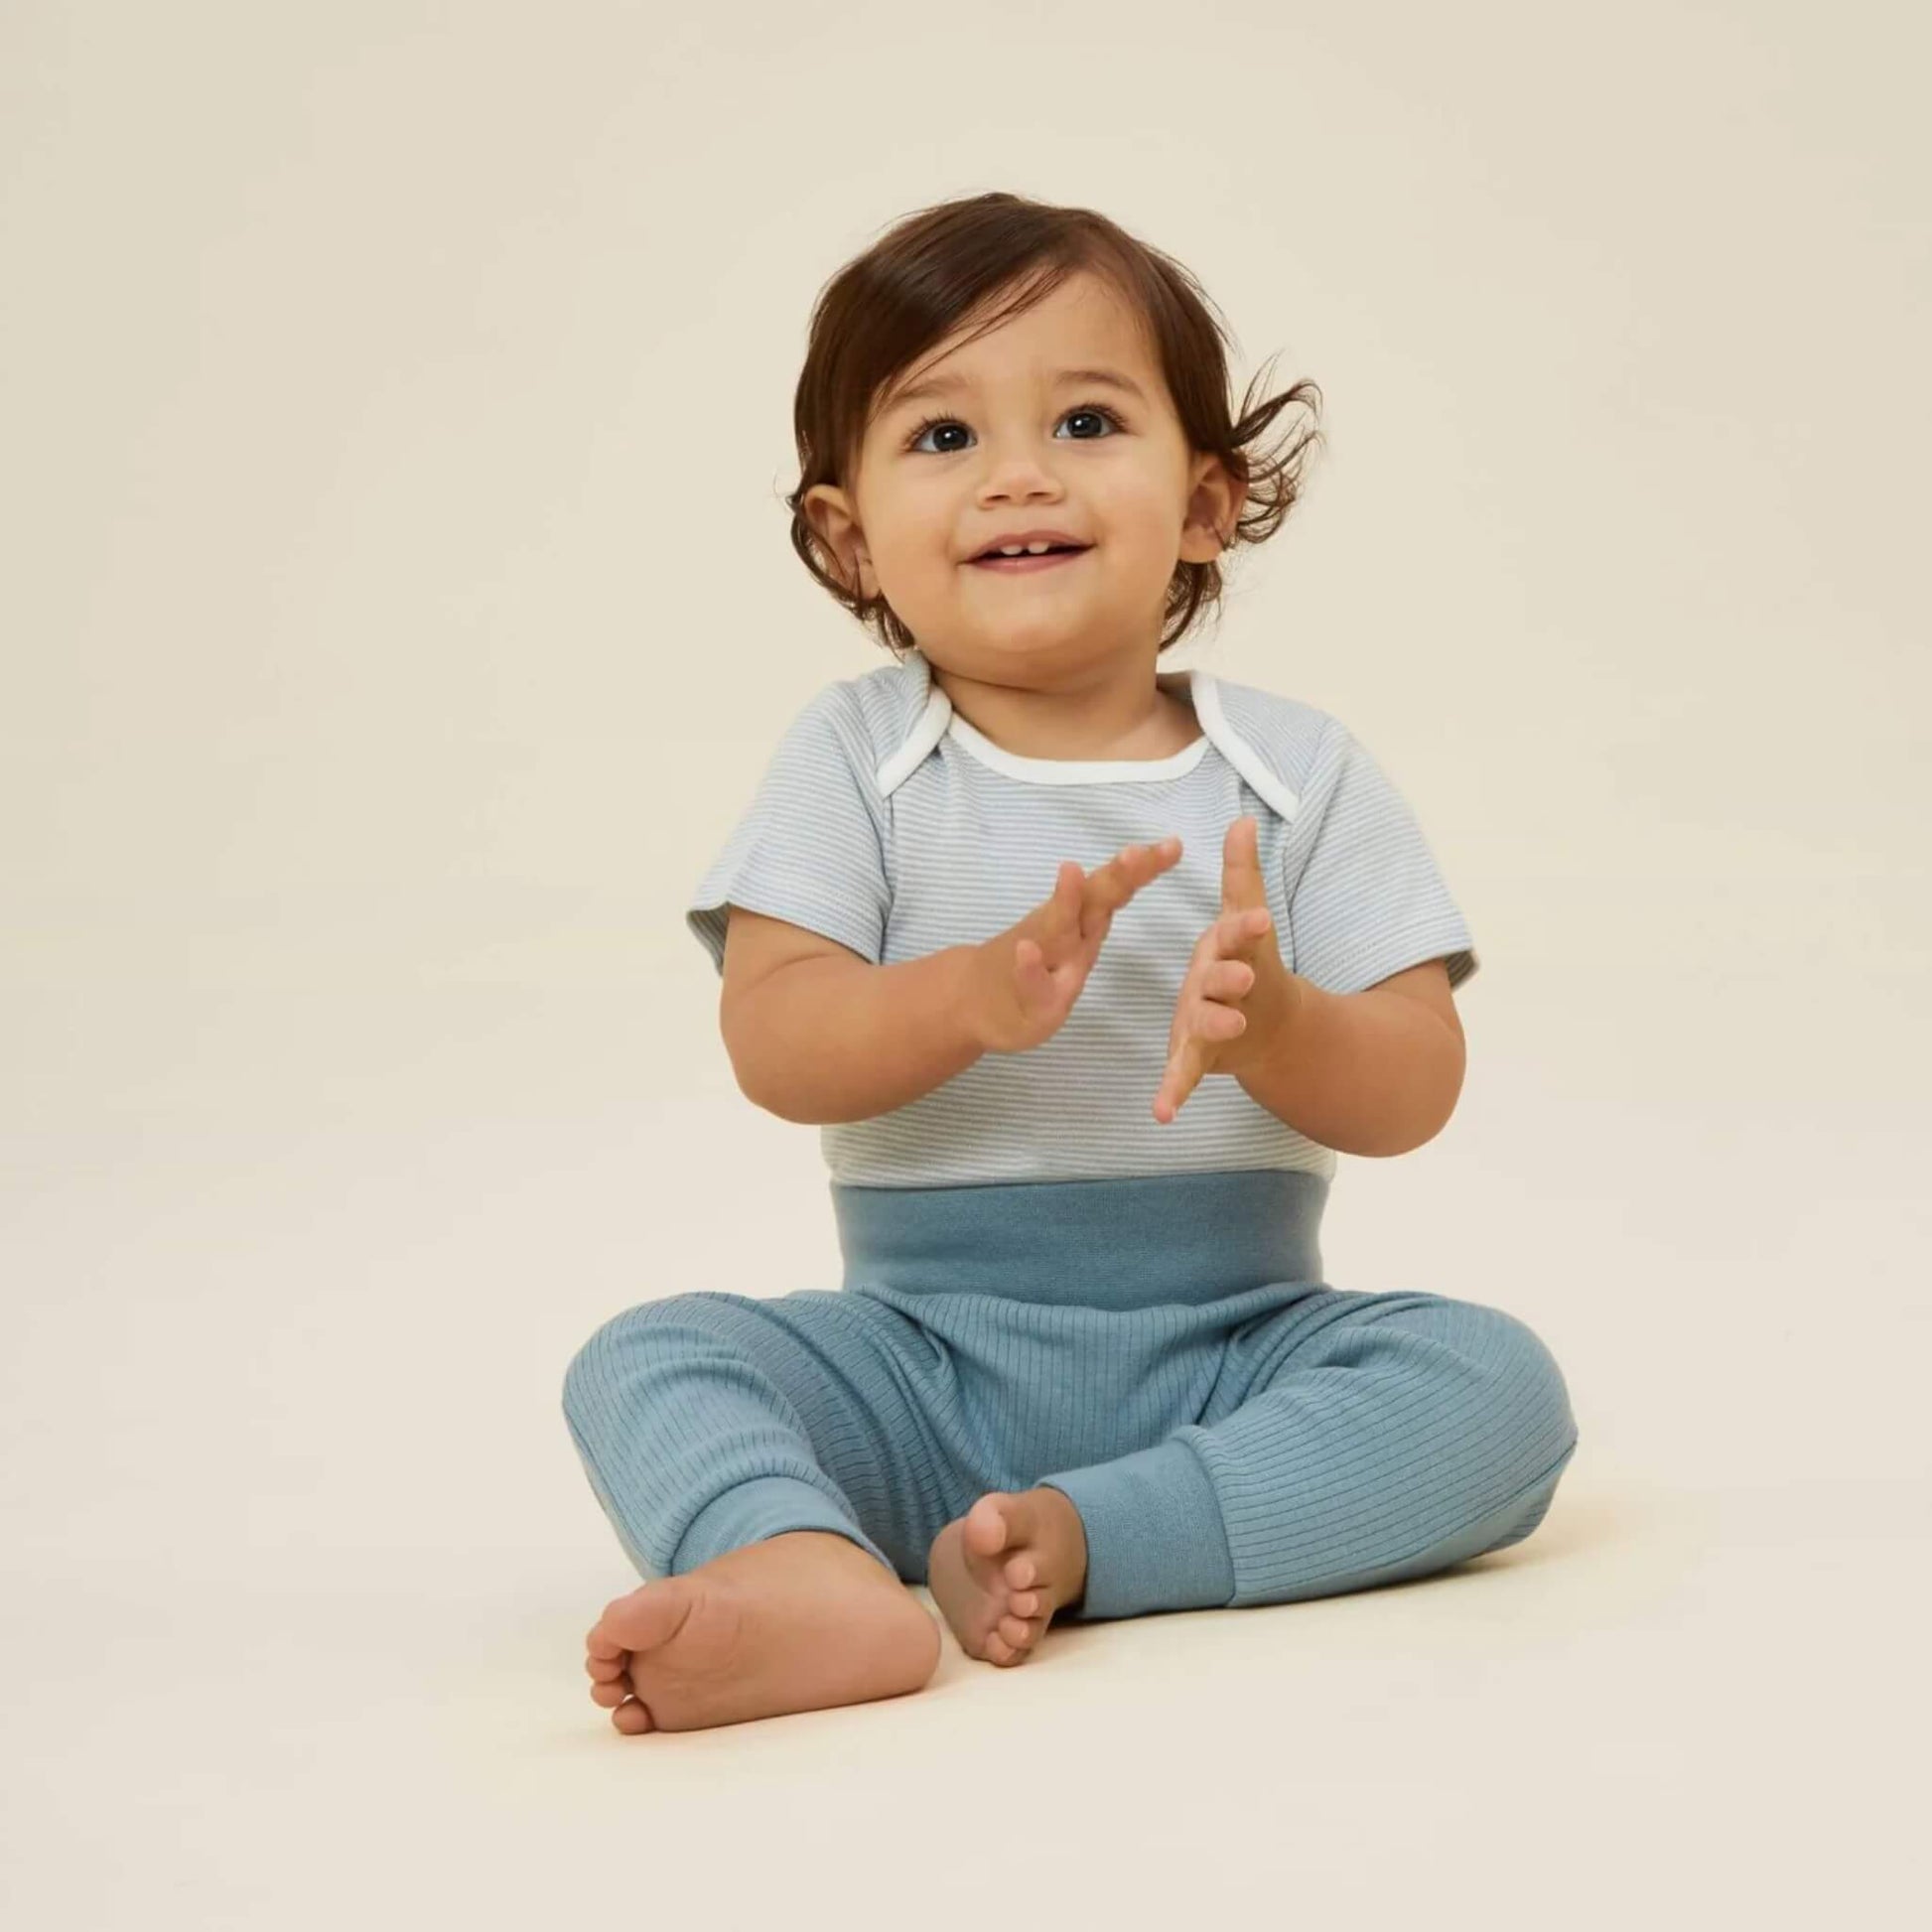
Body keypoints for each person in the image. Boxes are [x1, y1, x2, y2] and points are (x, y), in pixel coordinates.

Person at [564, 191, 1579, 1735]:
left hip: (1235, 1350)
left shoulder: (1294, 773)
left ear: (1203, 500)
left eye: (1088, 418)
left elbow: (1415, 1085)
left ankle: (1096, 1534)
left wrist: (1283, 1027)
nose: (1018, 474)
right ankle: (806, 1568)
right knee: (652, 1356)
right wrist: (959, 999)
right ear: (846, 532)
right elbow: (774, 1042)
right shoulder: (856, 760)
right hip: (910, 1364)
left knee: (1496, 1389)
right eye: (941, 437)